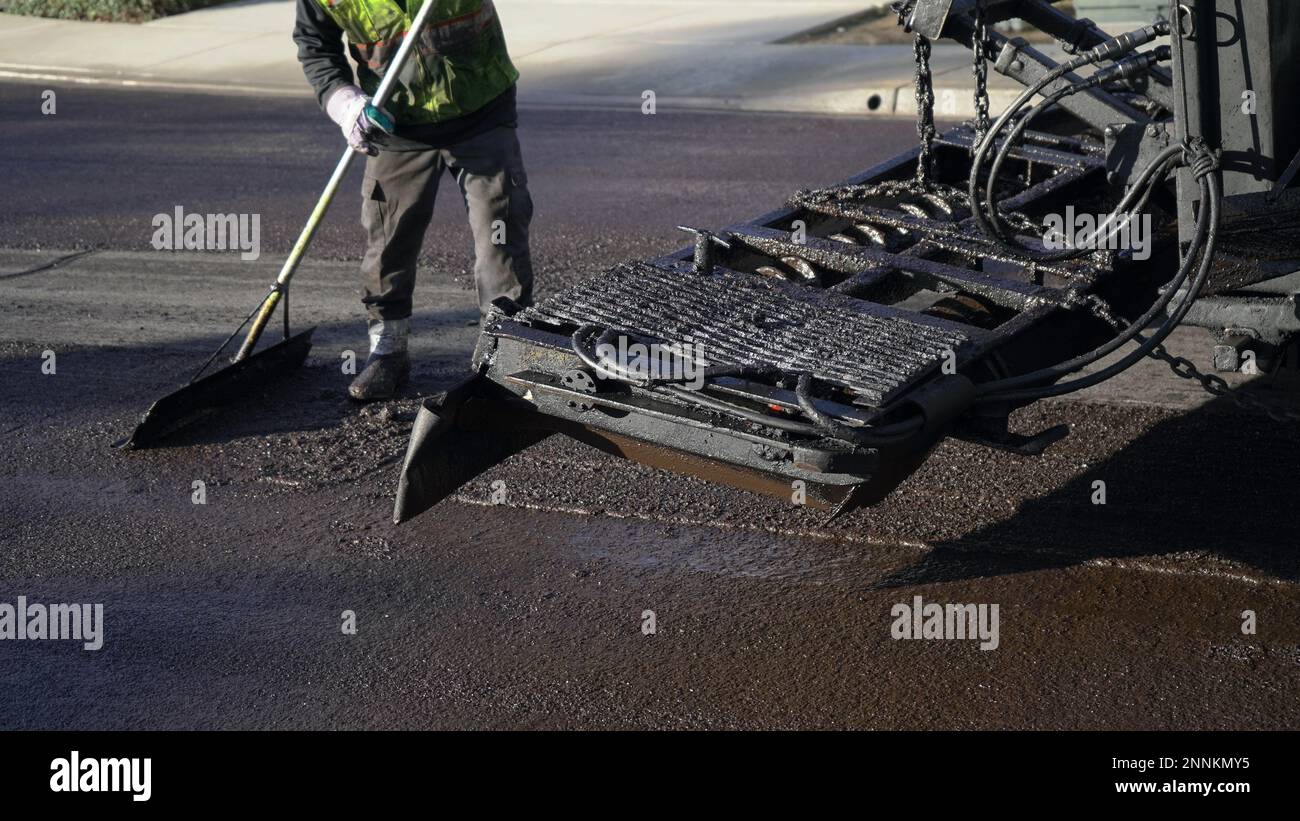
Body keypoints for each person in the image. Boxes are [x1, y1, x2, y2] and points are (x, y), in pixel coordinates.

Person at [293, 0, 534, 400]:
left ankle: (503, 355)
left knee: (500, 232)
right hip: (394, 124)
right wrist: (344, 103)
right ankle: (387, 351)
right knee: (388, 235)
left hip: (480, 110)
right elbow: (315, 44)